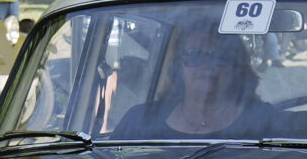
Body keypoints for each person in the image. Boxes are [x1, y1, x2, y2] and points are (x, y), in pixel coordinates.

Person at [115, 26, 275, 140]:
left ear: (235, 66)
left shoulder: (265, 122)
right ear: (179, 67)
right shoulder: (139, 122)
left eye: (219, 55)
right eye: (194, 55)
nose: (207, 64)